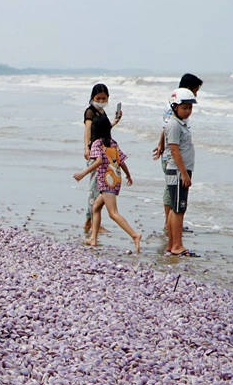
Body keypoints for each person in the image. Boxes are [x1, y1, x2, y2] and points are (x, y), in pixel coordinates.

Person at [72, 129, 141, 253]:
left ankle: (134, 235)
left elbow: (98, 161)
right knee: (96, 208)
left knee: (113, 213)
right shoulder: (113, 142)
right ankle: (93, 239)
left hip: (106, 181)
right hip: (115, 179)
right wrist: (128, 175)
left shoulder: (97, 143)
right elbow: (121, 161)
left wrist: (82, 174)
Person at [153, 74, 203, 235]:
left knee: (172, 193)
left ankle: (172, 224)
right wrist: (162, 145)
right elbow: (167, 128)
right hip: (173, 160)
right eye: (195, 91)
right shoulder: (173, 110)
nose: (195, 95)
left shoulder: (179, 110)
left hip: (175, 157)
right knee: (172, 193)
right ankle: (171, 224)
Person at [82, 84, 122, 234]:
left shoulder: (102, 111)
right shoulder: (90, 112)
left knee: (100, 189)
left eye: (104, 98)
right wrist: (87, 148)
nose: (101, 100)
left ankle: (89, 222)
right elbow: (88, 130)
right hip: (95, 152)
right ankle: (92, 222)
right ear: (92, 98)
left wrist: (115, 122)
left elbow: (104, 131)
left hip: (104, 152)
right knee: (95, 189)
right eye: (98, 98)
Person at [163, 87, 198, 256]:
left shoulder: (179, 124)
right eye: (184, 107)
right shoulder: (174, 125)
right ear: (174, 106)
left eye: (190, 108)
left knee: (175, 208)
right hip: (178, 172)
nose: (187, 111)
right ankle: (177, 245)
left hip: (179, 171)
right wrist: (184, 173)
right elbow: (174, 150)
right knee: (178, 209)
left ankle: (171, 244)